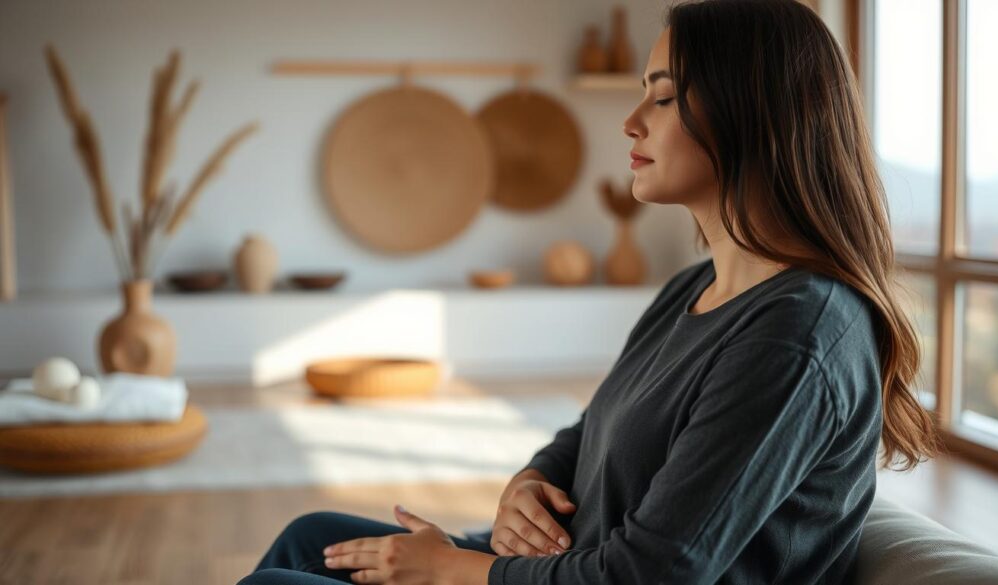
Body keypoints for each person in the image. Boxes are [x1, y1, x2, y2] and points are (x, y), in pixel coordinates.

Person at [238, 0, 941, 583]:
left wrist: (452, 569)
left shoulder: (796, 334)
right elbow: (591, 429)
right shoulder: (695, 286)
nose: (631, 120)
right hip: (562, 563)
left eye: (663, 96)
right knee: (311, 538)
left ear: (751, 114)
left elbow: (654, 574)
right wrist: (528, 480)